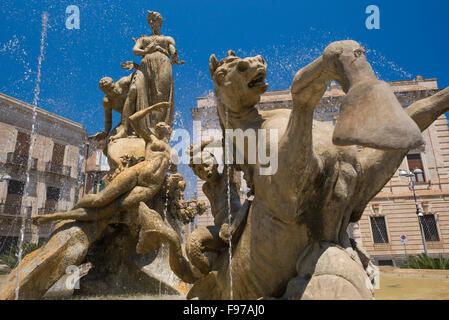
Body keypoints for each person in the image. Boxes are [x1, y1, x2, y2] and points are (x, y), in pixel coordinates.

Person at [32, 102, 172, 225]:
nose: (161, 124)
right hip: (138, 172)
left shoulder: (171, 147)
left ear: (169, 129)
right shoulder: (151, 138)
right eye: (159, 124)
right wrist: (154, 107)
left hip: (150, 186)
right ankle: (64, 216)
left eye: (164, 124)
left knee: (109, 210)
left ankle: (56, 217)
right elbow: (133, 119)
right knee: (100, 198)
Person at [110, 11, 184, 141]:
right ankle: (124, 128)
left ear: (160, 22)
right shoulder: (143, 38)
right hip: (144, 67)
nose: (151, 23)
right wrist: (146, 51)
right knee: (133, 91)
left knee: (161, 97)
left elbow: (172, 49)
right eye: (150, 20)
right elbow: (135, 50)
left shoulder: (167, 38)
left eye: (154, 20)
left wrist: (174, 55)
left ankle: (158, 132)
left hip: (163, 64)